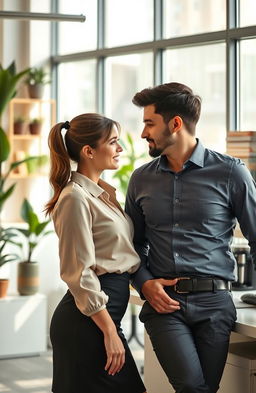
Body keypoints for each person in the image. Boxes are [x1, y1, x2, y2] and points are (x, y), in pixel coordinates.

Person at [125, 82, 256, 393]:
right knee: (192, 388)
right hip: (164, 304)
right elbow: (131, 246)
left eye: (149, 123)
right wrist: (144, 282)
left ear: (175, 124)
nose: (143, 133)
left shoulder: (231, 173)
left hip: (215, 304)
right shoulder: (141, 179)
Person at [45, 113, 146, 393]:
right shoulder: (74, 197)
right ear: (89, 151)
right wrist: (109, 330)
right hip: (89, 321)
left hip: (101, 316)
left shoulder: (102, 194)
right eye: (113, 142)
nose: (120, 149)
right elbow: (79, 274)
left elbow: (120, 253)